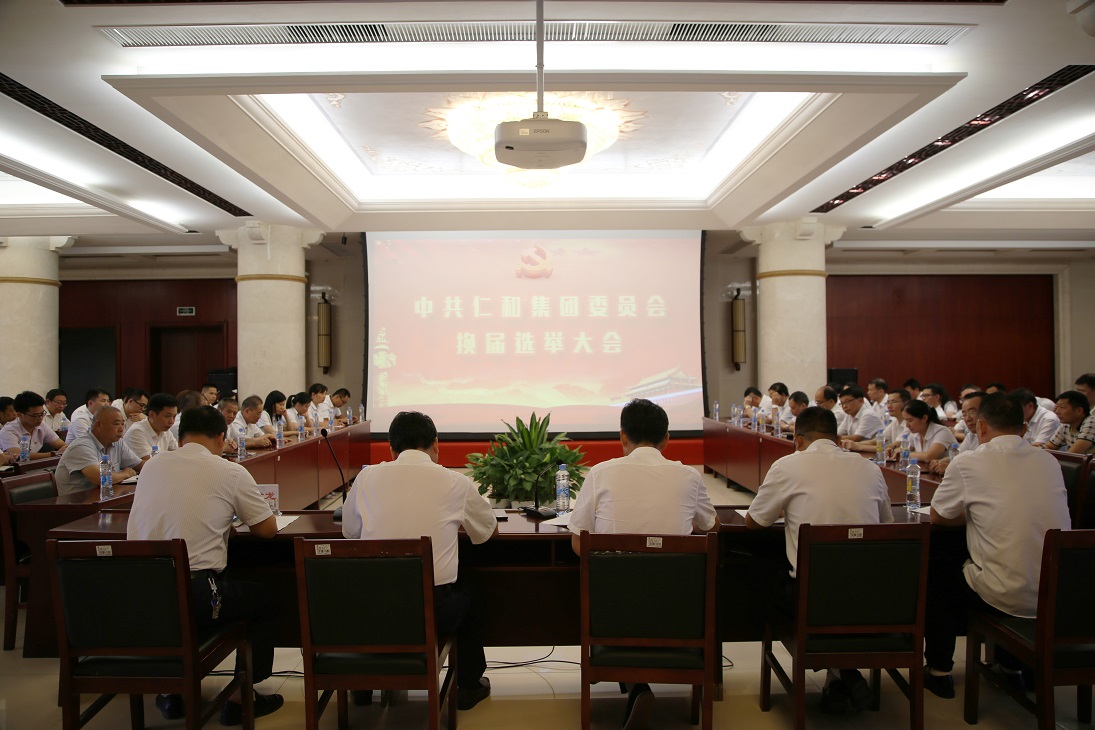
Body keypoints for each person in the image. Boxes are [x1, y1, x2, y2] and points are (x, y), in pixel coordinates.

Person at [126, 405, 283, 725]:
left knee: (176, 602)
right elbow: (267, 530)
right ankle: (240, 698)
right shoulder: (229, 471)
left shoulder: (152, 466)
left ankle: (172, 692)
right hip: (197, 596)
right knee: (268, 599)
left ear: (181, 435)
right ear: (221, 437)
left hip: (141, 596)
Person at [569, 398, 719, 729]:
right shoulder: (689, 477)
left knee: (619, 591)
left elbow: (579, 542)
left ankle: (636, 686)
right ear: (667, 439)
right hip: (678, 615)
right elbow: (712, 528)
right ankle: (639, 687)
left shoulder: (600, 473)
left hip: (612, 616)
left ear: (623, 436)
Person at [342, 410, 497, 713]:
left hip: (373, 608)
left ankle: (362, 687)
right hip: (433, 611)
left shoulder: (366, 477)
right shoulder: (455, 481)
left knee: (373, 591)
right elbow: (487, 533)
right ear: (435, 443)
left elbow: (350, 532)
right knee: (473, 595)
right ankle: (468, 685)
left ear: (391, 448)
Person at [924, 392, 1070, 699]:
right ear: (1024, 428)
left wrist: (976, 516)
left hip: (1003, 595)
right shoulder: (1049, 460)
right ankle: (1011, 665)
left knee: (938, 572)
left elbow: (938, 516)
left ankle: (939, 671)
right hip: (1058, 595)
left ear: (980, 426)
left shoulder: (969, 461)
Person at [746, 407, 893, 714]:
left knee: (764, 573)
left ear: (798, 440)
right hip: (873, 599)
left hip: (813, 601)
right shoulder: (870, 469)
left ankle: (839, 673)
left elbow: (754, 522)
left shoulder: (787, 466)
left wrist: (787, 510)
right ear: (838, 439)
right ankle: (840, 676)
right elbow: (886, 526)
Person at [55, 406, 143, 495]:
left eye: (122, 424)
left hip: (105, 496)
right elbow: (100, 478)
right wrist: (125, 474)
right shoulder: (81, 446)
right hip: (76, 501)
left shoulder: (117, 443)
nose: (121, 429)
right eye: (116, 424)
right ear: (99, 425)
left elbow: (140, 465)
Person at [930, 391, 985, 476]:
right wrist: (939, 462)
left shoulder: (995, 439)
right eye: (964, 414)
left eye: (972, 412)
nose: (967, 418)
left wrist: (950, 468)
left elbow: (982, 468)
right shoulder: (971, 435)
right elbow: (958, 457)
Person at [0, 391, 68, 460]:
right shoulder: (9, 431)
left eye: (42, 413)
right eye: (35, 415)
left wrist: (67, 449)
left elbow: (61, 445)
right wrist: (54, 454)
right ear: (19, 415)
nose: (40, 418)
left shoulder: (41, 425)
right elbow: (18, 455)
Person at [886, 399, 957, 463]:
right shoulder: (915, 433)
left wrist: (904, 453)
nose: (907, 425)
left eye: (910, 420)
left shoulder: (942, 432)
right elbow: (904, 449)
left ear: (924, 418)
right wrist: (893, 451)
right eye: (905, 421)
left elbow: (928, 456)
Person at [843, 389, 909, 454]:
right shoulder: (895, 422)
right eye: (888, 402)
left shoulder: (909, 424)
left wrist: (859, 446)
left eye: (893, 402)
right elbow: (875, 441)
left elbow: (892, 447)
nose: (889, 406)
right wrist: (852, 444)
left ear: (906, 403)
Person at [121, 392, 179, 459]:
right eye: (167, 416)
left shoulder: (166, 431)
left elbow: (178, 454)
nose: (172, 421)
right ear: (152, 414)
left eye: (174, 416)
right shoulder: (136, 432)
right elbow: (150, 462)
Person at [1041, 390, 1095, 455]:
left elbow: (1072, 454)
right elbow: (1049, 447)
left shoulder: (1092, 422)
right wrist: (1038, 449)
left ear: (1079, 411)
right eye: (1057, 407)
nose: (1057, 412)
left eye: (1062, 407)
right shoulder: (1066, 424)